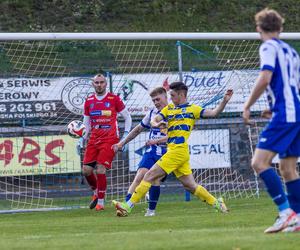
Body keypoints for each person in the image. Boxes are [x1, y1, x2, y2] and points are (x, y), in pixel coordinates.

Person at [113, 81, 233, 216]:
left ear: (182, 95)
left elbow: (214, 113)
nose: (171, 98)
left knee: (149, 175)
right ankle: (218, 204)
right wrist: (157, 124)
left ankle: (128, 206)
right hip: (175, 151)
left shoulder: (193, 109)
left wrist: (224, 101)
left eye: (173, 95)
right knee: (190, 186)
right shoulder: (169, 109)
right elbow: (154, 119)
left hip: (178, 150)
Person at [243, 8, 300, 233]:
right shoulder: (292, 52)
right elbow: (293, 86)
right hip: (294, 112)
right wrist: (274, 108)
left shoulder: (268, 47)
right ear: (281, 28)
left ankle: (286, 213)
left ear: (259, 29)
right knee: (288, 168)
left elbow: (265, 76)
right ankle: (297, 218)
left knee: (259, 162)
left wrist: (247, 105)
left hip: (287, 113)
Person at [78, 74, 132, 211]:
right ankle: (96, 191)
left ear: (106, 84)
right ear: (93, 84)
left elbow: (128, 117)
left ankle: (100, 202)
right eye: (97, 82)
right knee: (86, 170)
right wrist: (81, 139)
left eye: (102, 82)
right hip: (94, 139)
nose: (99, 85)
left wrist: (125, 137)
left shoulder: (114, 99)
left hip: (110, 139)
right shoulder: (89, 101)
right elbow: (86, 124)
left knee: (100, 169)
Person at [113, 87, 168, 216]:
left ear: (166, 97)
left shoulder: (174, 113)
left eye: (158, 99)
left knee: (155, 179)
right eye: (153, 100)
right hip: (152, 151)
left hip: (168, 152)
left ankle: (151, 211)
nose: (156, 102)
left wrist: (157, 140)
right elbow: (138, 129)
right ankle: (125, 206)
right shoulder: (152, 113)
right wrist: (122, 143)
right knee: (140, 175)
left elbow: (176, 136)